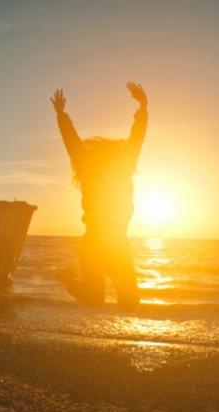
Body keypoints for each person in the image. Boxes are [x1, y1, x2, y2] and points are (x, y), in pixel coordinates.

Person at [51, 83, 148, 310]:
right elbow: (72, 144)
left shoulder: (123, 168)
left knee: (130, 303)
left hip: (118, 243)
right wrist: (61, 116)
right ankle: (67, 277)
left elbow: (137, 139)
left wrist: (143, 108)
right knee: (95, 299)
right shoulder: (89, 171)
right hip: (94, 243)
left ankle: (68, 278)